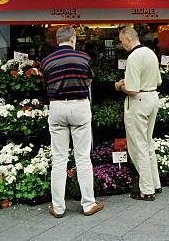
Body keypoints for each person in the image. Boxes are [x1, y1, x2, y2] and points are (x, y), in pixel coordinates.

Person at [41, 26, 103, 218]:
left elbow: (45, 84)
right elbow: (89, 81)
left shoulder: (46, 61)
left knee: (59, 159)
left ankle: (58, 208)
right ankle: (88, 204)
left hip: (57, 107)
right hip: (79, 106)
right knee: (83, 157)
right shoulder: (84, 58)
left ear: (57, 40)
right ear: (73, 38)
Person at [115, 27, 162, 201]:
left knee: (138, 146)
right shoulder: (150, 53)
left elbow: (132, 90)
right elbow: (158, 81)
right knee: (148, 143)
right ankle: (155, 184)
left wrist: (119, 85)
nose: (122, 44)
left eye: (121, 41)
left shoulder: (134, 56)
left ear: (128, 38)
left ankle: (147, 190)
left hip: (139, 102)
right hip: (152, 97)